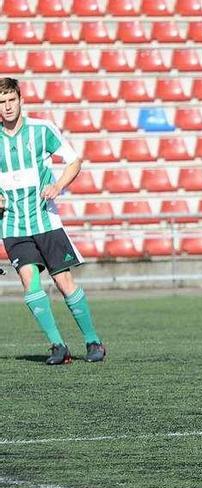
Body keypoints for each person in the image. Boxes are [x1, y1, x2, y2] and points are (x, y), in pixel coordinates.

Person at [0, 77, 105, 365]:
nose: (7, 107)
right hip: (13, 226)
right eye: (1, 103)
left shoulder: (41, 130)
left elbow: (74, 160)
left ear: (20, 100)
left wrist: (57, 186)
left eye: (11, 100)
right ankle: (58, 346)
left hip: (45, 221)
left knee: (63, 282)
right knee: (30, 284)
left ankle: (93, 341)